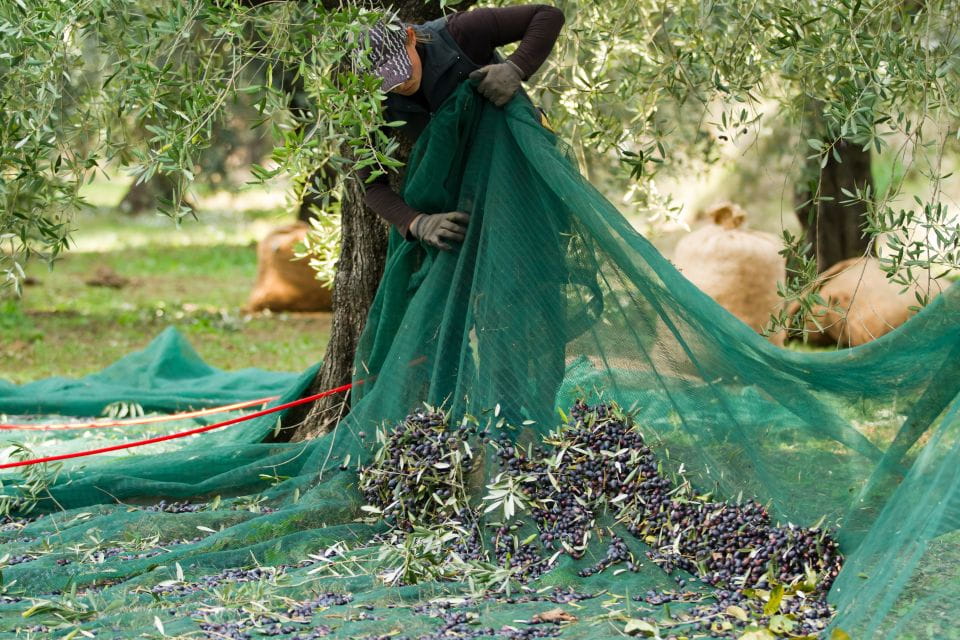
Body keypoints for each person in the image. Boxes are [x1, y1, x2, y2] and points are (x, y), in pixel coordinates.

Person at [358, 5, 565, 250]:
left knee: (535, 255)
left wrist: (515, 68)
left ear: (411, 37)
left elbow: (547, 16)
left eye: (402, 68)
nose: (401, 83)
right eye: (388, 78)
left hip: (522, 166)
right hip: (468, 198)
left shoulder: (459, 32)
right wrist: (417, 222)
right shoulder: (370, 102)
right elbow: (371, 186)